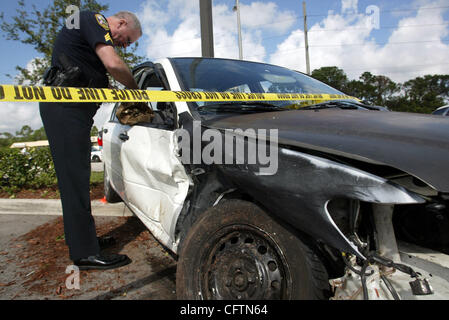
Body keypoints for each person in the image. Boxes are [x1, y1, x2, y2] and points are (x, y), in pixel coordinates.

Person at [39, 10, 143, 270]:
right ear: (120, 23)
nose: (124, 44)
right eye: (126, 39)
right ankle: (85, 254)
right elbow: (114, 64)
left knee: (78, 177)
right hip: (65, 109)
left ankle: (84, 241)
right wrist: (135, 90)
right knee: (74, 179)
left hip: (72, 110)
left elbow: (95, 71)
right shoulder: (93, 20)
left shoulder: (89, 38)